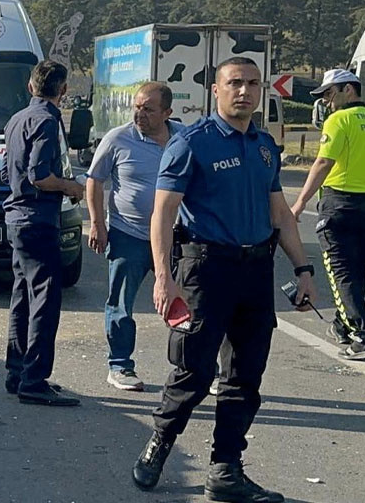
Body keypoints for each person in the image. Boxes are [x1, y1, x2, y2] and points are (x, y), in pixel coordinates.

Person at [132, 57, 315, 502]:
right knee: (193, 372)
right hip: (205, 270)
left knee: (245, 376)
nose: (245, 92)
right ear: (216, 90)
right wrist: (164, 278)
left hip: (255, 271)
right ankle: (159, 444)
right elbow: (163, 213)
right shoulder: (192, 144)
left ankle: (226, 468)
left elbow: (281, 216)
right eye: (235, 83)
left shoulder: (266, 146)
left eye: (253, 84)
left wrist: (304, 269)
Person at [86, 82, 182, 392]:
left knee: (183, 302)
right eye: (137, 107)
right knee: (121, 304)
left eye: (148, 109)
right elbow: (94, 181)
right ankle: (120, 366)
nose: (139, 114)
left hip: (175, 236)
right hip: (130, 234)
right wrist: (98, 224)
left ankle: (191, 365)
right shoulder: (118, 139)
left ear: (167, 112)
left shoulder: (184, 138)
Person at [1, 60, 86, 406]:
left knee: (22, 296)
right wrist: (71, 187)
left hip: (16, 218)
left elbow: (7, 173)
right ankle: (35, 379)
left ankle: (17, 371)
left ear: (30, 86)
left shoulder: (16, 120)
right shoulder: (48, 122)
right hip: (38, 217)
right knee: (46, 300)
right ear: (63, 91)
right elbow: (40, 175)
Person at [290, 68, 365, 360]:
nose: (327, 102)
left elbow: (322, 163)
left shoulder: (339, 119)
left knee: (340, 272)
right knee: (358, 271)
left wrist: (299, 203)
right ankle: (343, 326)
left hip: (340, 204)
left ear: (348, 89)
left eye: (329, 94)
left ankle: (363, 336)